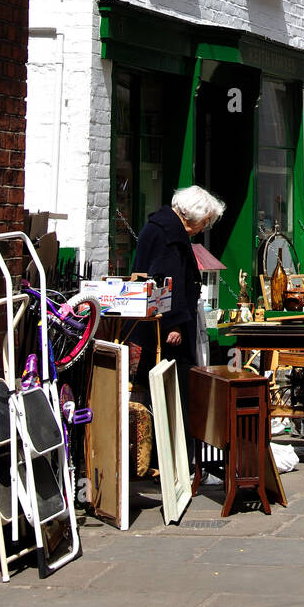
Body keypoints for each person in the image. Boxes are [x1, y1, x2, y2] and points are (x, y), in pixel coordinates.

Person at [132, 184, 226, 459]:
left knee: (161, 389)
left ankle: (167, 457)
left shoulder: (161, 226)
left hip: (158, 323)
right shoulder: (171, 235)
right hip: (167, 326)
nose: (204, 228)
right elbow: (165, 279)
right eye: (205, 221)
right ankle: (182, 461)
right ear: (193, 216)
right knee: (179, 393)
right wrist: (173, 324)